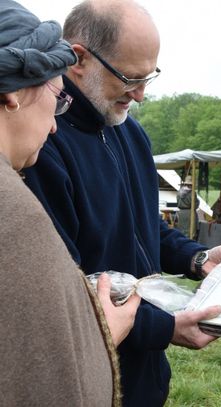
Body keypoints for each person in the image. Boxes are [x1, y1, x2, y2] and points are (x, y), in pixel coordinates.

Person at [22, 1, 221, 406]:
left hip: (146, 376)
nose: (140, 95)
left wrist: (197, 259)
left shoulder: (129, 133)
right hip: (89, 377)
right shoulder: (42, 145)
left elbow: (145, 228)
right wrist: (165, 328)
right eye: (130, 78)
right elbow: (67, 290)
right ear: (78, 59)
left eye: (150, 77)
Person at [0, 1, 140, 405]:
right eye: (58, 98)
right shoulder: (14, 215)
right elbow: (42, 380)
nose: (56, 122)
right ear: (12, 93)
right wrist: (97, 336)